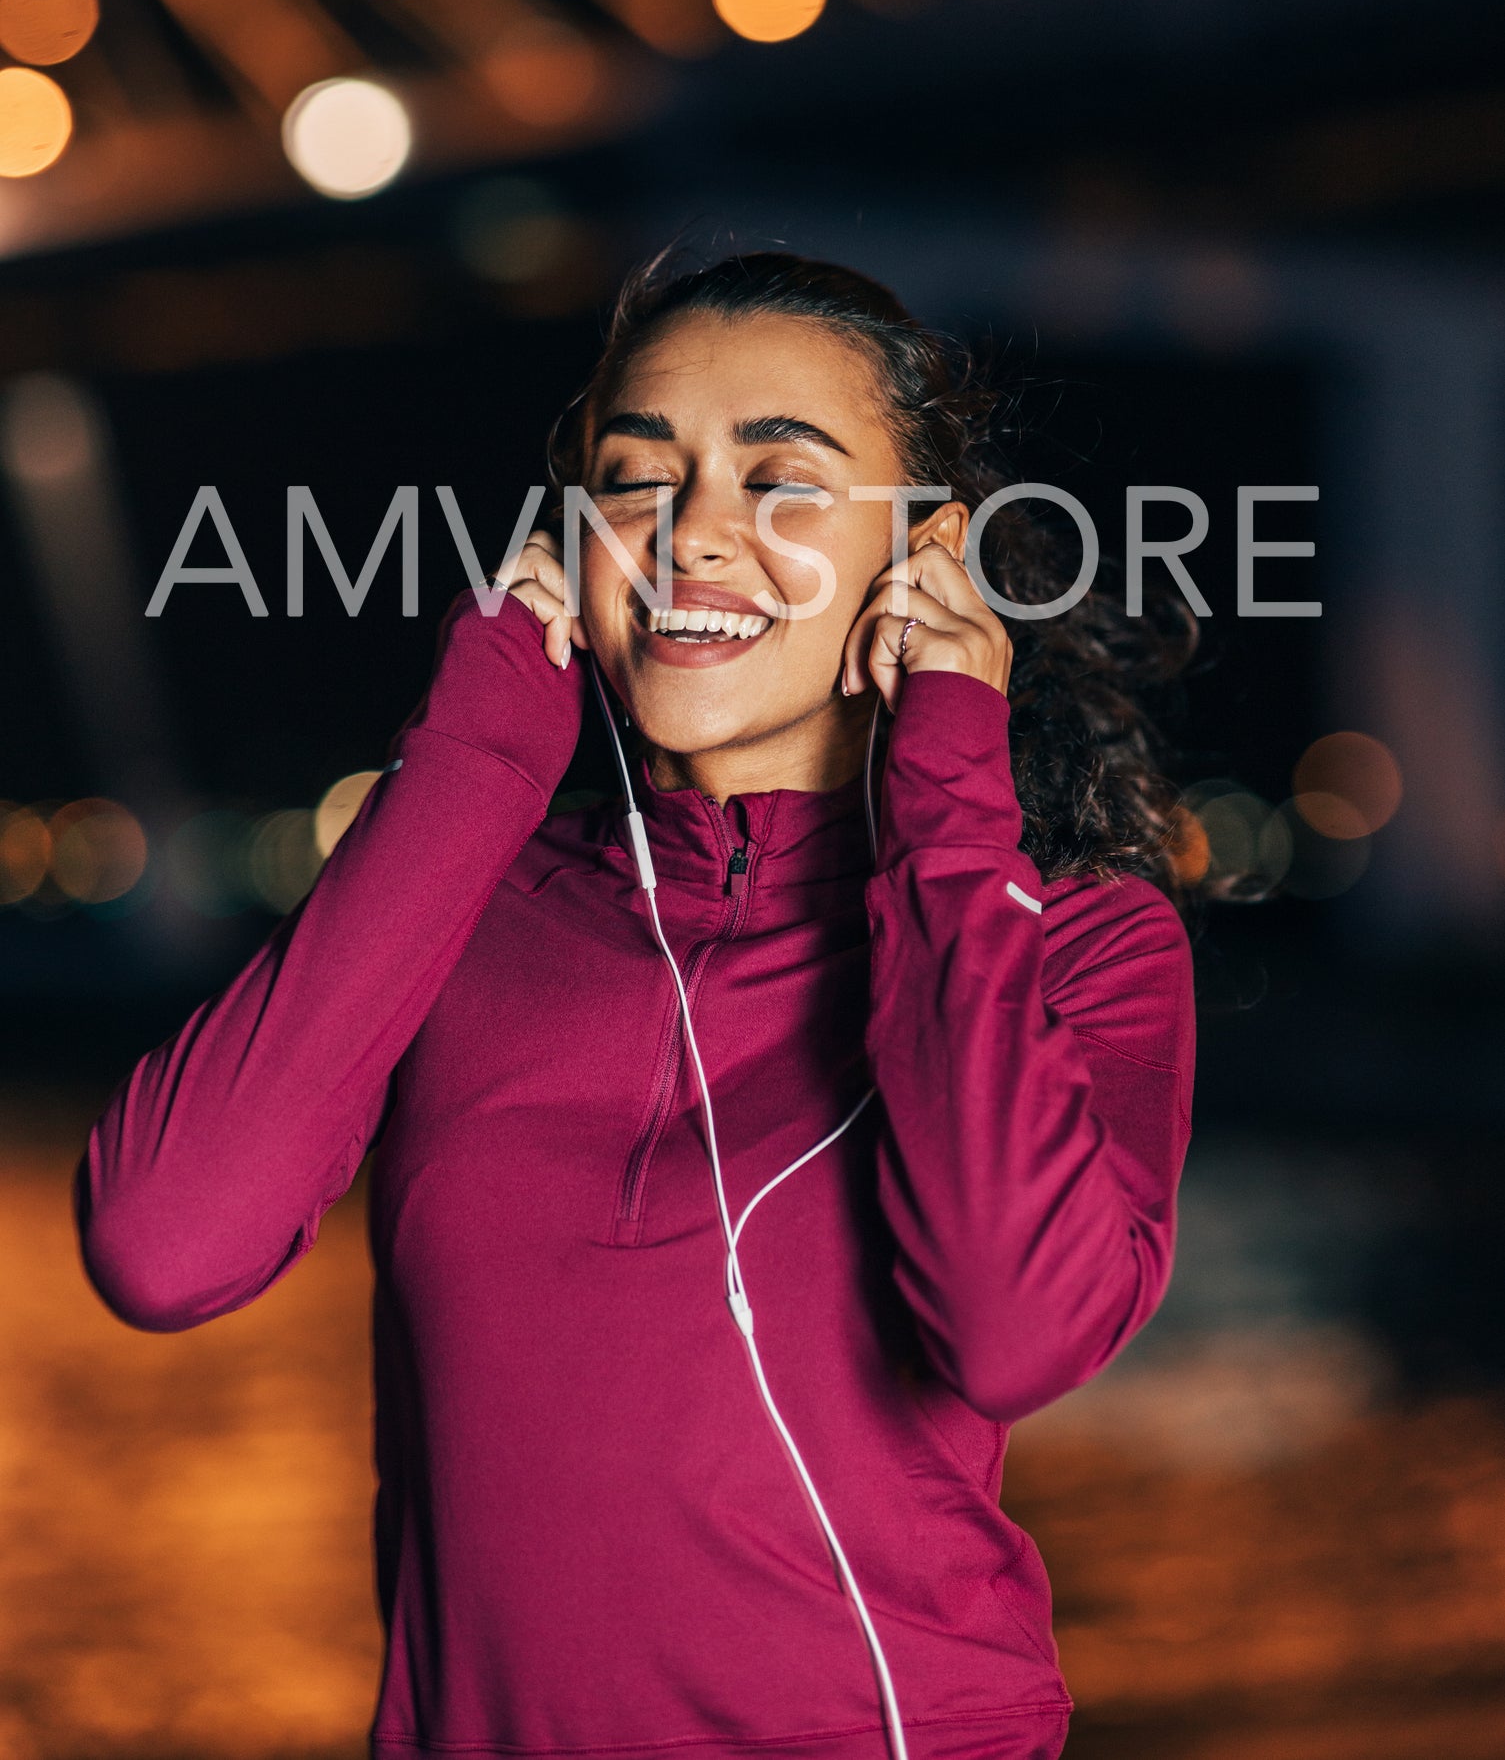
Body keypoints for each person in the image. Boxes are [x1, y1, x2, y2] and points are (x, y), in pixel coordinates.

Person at [77, 251, 1198, 1760]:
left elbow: (1009, 1331)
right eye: (633, 479)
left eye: (782, 483)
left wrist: (945, 769)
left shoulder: (1071, 941)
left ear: (924, 553)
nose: (690, 539)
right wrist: (476, 750)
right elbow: (164, 1243)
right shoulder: (469, 902)